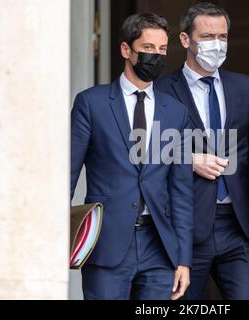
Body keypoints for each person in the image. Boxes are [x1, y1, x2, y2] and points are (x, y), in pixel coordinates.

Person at [156, 2, 249, 300]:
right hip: (184, 228)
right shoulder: (160, 91)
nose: (217, 44)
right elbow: (145, 153)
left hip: (237, 226)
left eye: (223, 37)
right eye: (207, 37)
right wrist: (188, 161)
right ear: (186, 40)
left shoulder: (244, 87)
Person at [71, 13, 193, 300]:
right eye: (148, 48)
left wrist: (183, 258)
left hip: (159, 248)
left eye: (162, 50)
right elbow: (68, 172)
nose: (157, 56)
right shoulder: (91, 103)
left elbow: (182, 190)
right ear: (127, 50)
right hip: (106, 245)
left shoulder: (176, 112)